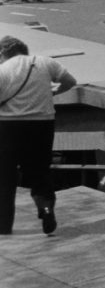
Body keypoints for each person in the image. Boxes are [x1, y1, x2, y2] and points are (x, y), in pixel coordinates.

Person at [0, 35, 78, 235]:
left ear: (3, 53)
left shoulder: (3, 70)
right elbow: (70, 81)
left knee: (5, 175)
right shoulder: (44, 62)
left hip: (9, 127)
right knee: (39, 171)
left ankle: (3, 225)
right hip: (43, 124)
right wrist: (52, 93)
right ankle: (46, 208)